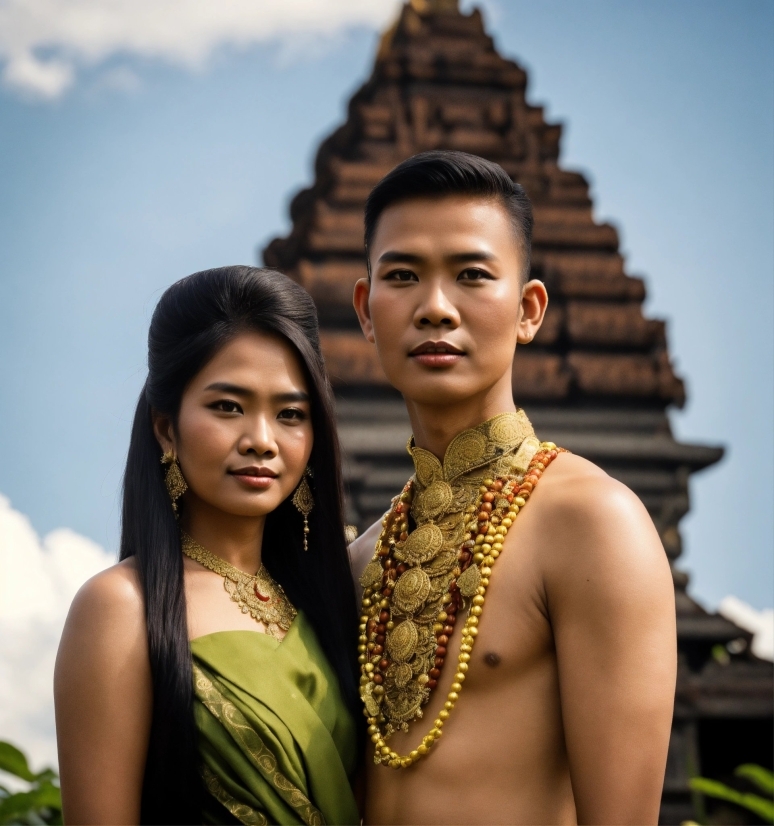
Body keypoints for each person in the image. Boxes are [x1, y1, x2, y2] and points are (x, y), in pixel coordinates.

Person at [350, 151, 677, 825]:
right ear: (365, 310)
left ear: (528, 310)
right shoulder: (361, 561)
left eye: (471, 275)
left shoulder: (591, 522)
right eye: (403, 276)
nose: (435, 308)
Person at [54, 266, 361, 825]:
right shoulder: (122, 607)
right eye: (228, 407)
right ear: (166, 429)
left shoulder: (338, 597)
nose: (262, 441)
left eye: (290, 414)